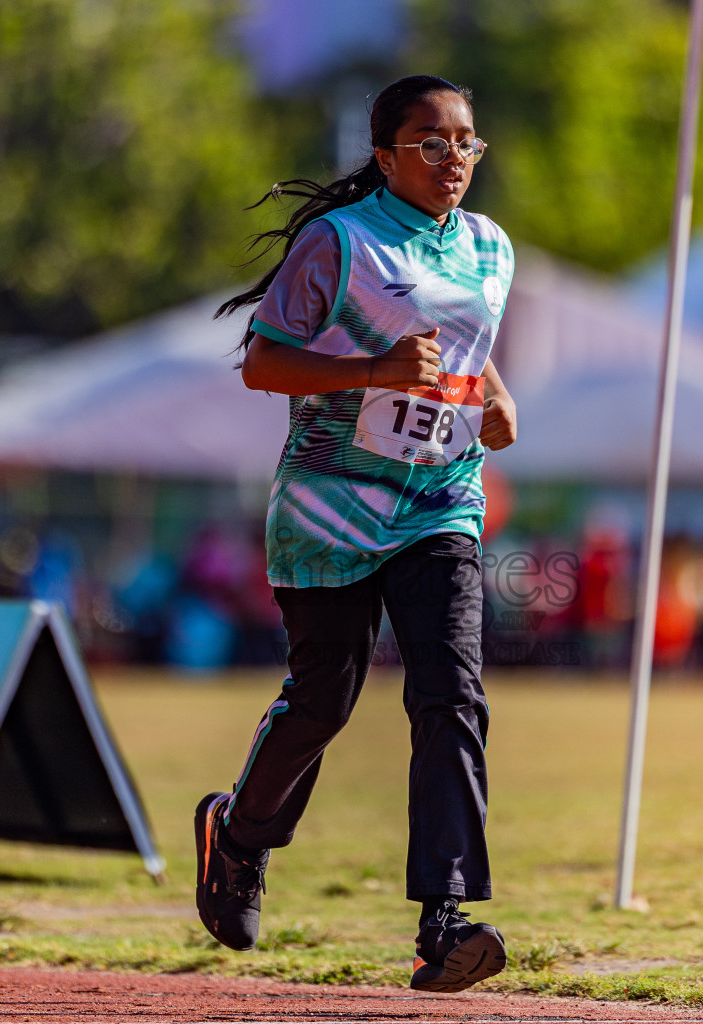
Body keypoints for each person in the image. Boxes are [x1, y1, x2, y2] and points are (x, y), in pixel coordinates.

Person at [195, 74, 516, 994]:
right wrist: (371, 367)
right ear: (387, 155)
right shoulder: (339, 243)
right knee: (324, 700)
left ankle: (444, 924)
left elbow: (469, 346)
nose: (454, 158)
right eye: (431, 142)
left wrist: (496, 402)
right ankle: (240, 837)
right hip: (330, 508)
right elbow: (261, 364)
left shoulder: (492, 249)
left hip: (439, 502)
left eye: (466, 141)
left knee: (450, 696)